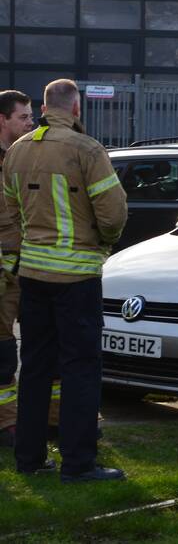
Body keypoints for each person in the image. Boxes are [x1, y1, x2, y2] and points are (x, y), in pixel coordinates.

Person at [5, 79, 127, 482]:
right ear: (76, 110)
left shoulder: (17, 151)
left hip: (33, 276)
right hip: (76, 278)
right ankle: (78, 463)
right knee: (79, 369)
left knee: (36, 367)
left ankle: (31, 460)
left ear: (43, 108)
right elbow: (112, 215)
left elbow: (12, 212)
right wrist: (101, 245)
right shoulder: (87, 149)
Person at [0, 90, 48, 448]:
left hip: (25, 268)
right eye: (23, 118)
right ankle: (7, 425)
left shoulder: (23, 158)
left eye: (32, 117)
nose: (30, 124)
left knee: (37, 345)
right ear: (2, 120)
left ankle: (50, 419)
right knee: (3, 349)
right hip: (5, 273)